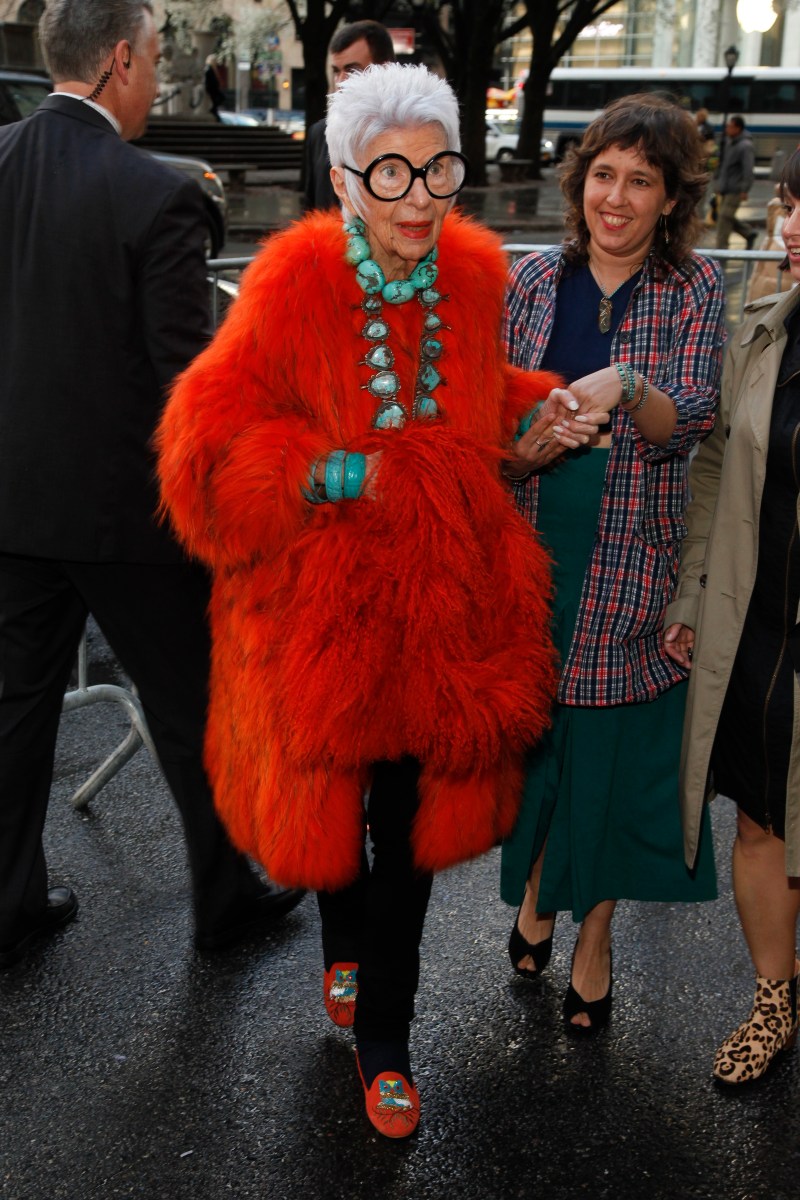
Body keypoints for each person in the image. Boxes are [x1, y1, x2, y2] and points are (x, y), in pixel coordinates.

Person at [157, 62, 559, 1138]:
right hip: (325, 609)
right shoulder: (291, 283)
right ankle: (344, 948)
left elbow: (473, 398)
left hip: (433, 603)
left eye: (438, 167)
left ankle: (385, 1037)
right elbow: (209, 443)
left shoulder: (473, 275)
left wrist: (545, 405)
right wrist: (336, 473)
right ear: (346, 180)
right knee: (339, 799)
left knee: (408, 817)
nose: (423, 195)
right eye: (394, 172)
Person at [0, 0, 304, 972]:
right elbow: (188, 378)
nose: (155, 78)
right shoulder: (155, 193)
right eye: (157, 58)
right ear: (120, 60)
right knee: (190, 707)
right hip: (127, 513)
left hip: (11, 499)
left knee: (14, 709)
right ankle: (223, 900)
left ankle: (7, 905)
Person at [499, 93, 725, 1032]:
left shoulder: (696, 289)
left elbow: (693, 422)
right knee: (541, 746)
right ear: (578, 181)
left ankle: (592, 937)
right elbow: (495, 428)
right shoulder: (532, 282)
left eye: (641, 181)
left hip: (632, 557)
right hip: (531, 553)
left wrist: (630, 386)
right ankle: (540, 884)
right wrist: (531, 444)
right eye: (604, 175)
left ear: (671, 199)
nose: (617, 198)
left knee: (611, 757)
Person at [664, 149, 800, 1086]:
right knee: (760, 820)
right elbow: (712, 469)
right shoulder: (760, 332)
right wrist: (689, 594)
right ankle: (772, 998)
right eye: (791, 206)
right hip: (758, 621)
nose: (789, 227)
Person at [301, 19, 394, 212]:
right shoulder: (319, 134)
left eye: (352, 71)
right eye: (336, 71)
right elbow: (310, 214)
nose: (340, 82)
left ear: (384, 69)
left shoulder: (412, 135)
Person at [714, 114, 757, 251]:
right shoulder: (728, 142)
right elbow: (724, 166)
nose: (727, 129)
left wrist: (744, 189)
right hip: (727, 187)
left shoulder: (745, 146)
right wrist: (719, 184)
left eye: (730, 127)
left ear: (737, 128)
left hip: (736, 188)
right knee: (726, 216)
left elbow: (748, 169)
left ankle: (721, 249)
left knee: (724, 218)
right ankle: (748, 233)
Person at [204, 54, 226, 121]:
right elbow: (209, 81)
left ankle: (215, 114)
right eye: (215, 61)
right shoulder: (208, 69)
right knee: (215, 103)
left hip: (214, 90)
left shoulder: (212, 69)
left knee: (216, 103)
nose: (216, 62)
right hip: (212, 90)